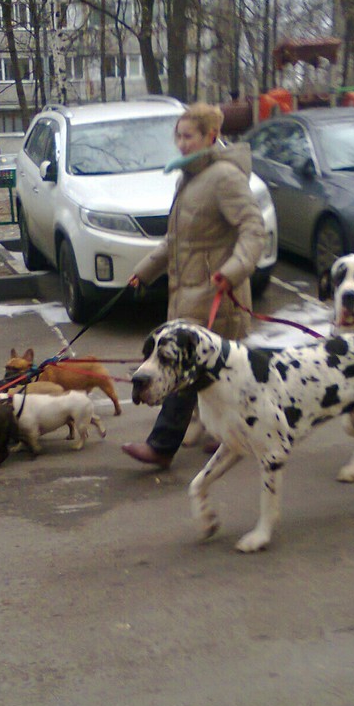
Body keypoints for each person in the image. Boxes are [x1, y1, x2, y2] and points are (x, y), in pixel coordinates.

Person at [121, 102, 267, 468]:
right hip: (187, 294)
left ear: (210, 136)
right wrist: (145, 271)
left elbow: (253, 229)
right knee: (217, 374)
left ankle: (161, 446)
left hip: (215, 296)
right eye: (179, 136)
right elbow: (176, 242)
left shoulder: (225, 178)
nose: (181, 144)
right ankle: (228, 433)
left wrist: (232, 271)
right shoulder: (189, 177)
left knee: (181, 369)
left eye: (189, 136)